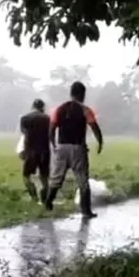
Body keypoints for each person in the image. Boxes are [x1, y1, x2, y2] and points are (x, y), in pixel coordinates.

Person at [44, 81, 104, 218]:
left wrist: (53, 143)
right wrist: (100, 142)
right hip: (78, 148)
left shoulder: (59, 109)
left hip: (62, 146)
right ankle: (86, 211)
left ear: (71, 93)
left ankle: (48, 203)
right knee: (82, 180)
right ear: (82, 94)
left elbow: (52, 128)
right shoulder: (85, 110)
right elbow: (94, 127)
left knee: (56, 178)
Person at [20, 99, 51, 203]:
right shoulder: (48, 118)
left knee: (26, 176)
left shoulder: (25, 118)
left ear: (33, 106)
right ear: (43, 107)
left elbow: (25, 135)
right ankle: (44, 197)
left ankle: (34, 196)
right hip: (45, 151)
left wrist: (23, 150)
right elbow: (51, 135)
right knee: (44, 178)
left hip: (31, 151)